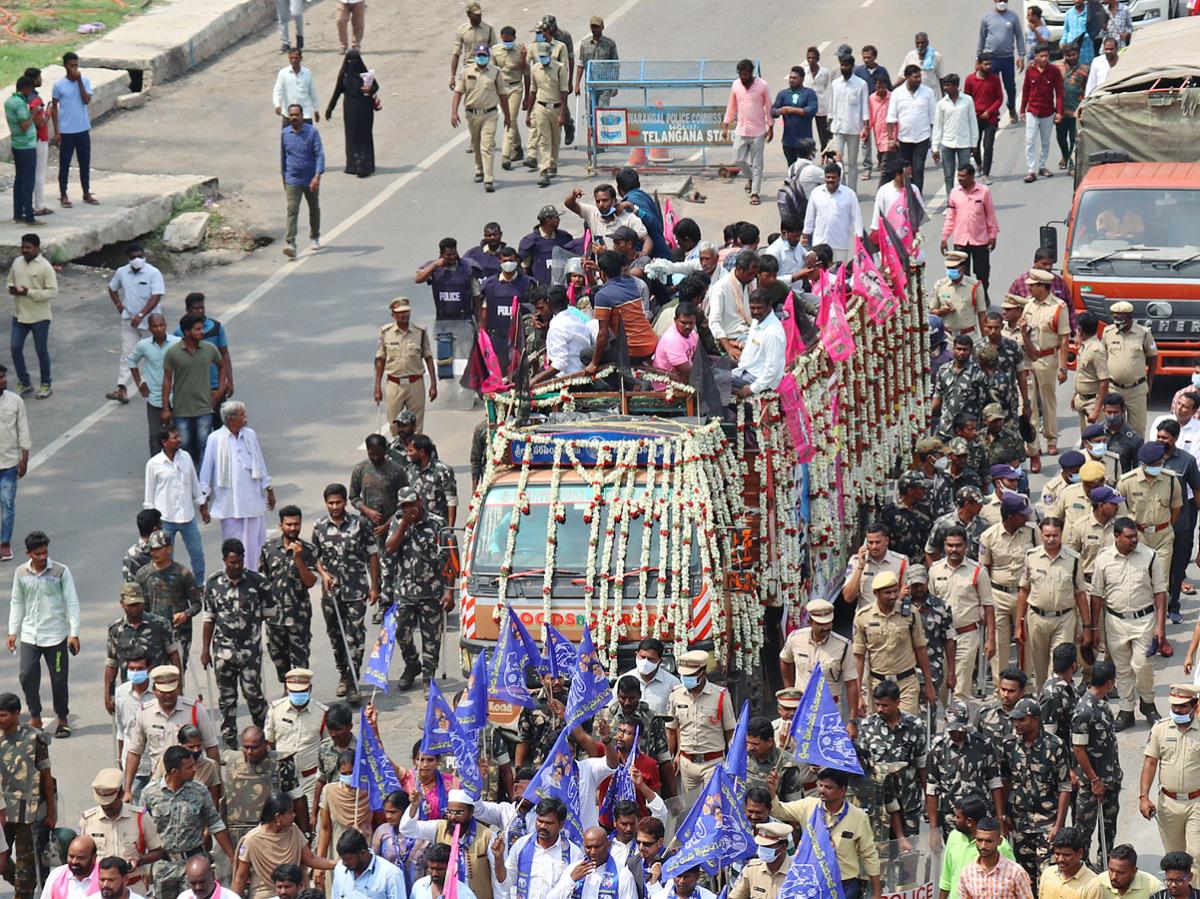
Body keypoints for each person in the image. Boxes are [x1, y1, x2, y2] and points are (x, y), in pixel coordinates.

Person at [1091, 516, 1165, 730]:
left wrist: (1160, 626)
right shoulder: (1103, 559)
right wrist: (1094, 627)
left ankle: (1148, 704)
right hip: (1115, 621)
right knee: (1122, 669)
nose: (1134, 540)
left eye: (1136, 536)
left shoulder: (1150, 556)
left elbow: (1160, 592)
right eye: (1129, 537)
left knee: (1141, 665)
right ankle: (1126, 711)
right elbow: (1096, 594)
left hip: (1144, 620)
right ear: (1116, 537)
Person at [202, 538, 274, 746]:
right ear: (224, 560)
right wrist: (205, 650)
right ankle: (230, 741)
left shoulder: (258, 581)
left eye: (239, 561)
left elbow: (269, 612)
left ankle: (262, 737)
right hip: (223, 652)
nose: (236, 566)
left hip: (250, 651)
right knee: (227, 698)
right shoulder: (213, 583)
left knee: (254, 695)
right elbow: (209, 618)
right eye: (232, 562)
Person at [7, 530, 79, 737]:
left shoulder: (60, 571)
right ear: (28, 553)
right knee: (27, 676)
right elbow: (17, 602)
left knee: (58, 679)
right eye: (38, 554)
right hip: (30, 636)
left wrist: (74, 633)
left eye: (45, 553)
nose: (42, 557)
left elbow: (72, 602)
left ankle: (62, 718)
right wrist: (13, 632)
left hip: (55, 637)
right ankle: (35, 715)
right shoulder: (21, 573)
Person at [140, 745, 235, 899]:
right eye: (189, 767)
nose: (195, 769)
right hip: (163, 865)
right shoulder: (149, 794)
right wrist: (144, 866)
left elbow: (216, 824)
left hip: (192, 865)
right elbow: (142, 831)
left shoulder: (200, 791)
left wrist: (231, 857)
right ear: (174, 772)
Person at [314, 483, 379, 702]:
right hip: (331, 594)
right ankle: (343, 673)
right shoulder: (320, 527)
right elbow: (315, 557)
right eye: (330, 503)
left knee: (355, 636)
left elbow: (372, 554)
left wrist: (374, 586)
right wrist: (323, 574)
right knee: (336, 638)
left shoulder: (360, 524)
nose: (334, 506)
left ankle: (352, 681)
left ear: (344, 502)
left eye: (338, 502)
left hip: (356, 590)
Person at [199, 401, 275, 571]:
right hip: (229, 503)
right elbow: (206, 470)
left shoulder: (250, 435)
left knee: (255, 543)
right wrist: (203, 500)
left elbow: (260, 462)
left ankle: (255, 575)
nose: (245, 417)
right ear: (231, 419)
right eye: (242, 415)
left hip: (253, 500)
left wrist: (268, 488)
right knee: (232, 544)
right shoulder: (215, 439)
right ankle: (232, 575)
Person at [1015, 517, 1087, 687]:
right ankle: (1043, 705)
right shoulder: (1031, 556)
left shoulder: (1074, 559)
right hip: (1037, 619)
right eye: (1047, 535)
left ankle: (1058, 704)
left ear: (1061, 534)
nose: (1051, 539)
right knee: (1040, 670)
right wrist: (1018, 624)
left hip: (1064, 619)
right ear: (1041, 534)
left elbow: (1080, 594)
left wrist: (1088, 626)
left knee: (1059, 668)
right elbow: (1024, 590)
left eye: (1055, 535)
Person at [853, 570, 936, 714]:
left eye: (895, 591)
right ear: (876, 593)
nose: (892, 596)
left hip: (906, 684)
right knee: (880, 731)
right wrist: (858, 693)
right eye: (887, 593)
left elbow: (920, 648)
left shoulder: (910, 613)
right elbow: (859, 657)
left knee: (906, 729)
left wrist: (929, 683)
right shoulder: (863, 617)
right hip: (878, 684)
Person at [1142, 685, 1200, 881]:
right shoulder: (1160, 728)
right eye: (1174, 706)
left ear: (1194, 705)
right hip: (1168, 803)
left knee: (1197, 856)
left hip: (1197, 803)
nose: (1177, 710)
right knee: (1174, 858)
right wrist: (1143, 797)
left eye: (1183, 706)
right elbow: (1150, 763)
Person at [0, 691, 54, 899]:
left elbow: (46, 777)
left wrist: (51, 813)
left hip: (27, 815)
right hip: (2, 813)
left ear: (16, 713)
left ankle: (24, 891)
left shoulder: (35, 738)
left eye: (4, 715)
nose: (0, 719)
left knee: (27, 870)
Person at [232, 793, 334, 899]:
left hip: (293, 894)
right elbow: (241, 877)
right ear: (278, 817)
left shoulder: (293, 831)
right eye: (290, 812)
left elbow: (311, 859)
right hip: (265, 895)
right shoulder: (252, 840)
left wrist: (338, 864)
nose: (294, 815)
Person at [78, 768, 164, 887]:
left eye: (110, 802)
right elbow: (81, 855)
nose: (106, 806)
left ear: (121, 794)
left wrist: (139, 860)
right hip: (100, 888)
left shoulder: (140, 817)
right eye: (102, 803)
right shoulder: (87, 820)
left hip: (133, 886)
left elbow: (158, 852)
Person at [260, 507, 318, 682]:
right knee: (278, 658)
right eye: (289, 524)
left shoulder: (308, 550)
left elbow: (310, 581)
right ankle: (287, 690)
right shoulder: (269, 549)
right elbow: (263, 579)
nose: (293, 528)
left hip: (298, 616)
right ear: (281, 525)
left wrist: (298, 558)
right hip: (275, 617)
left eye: (296, 524)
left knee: (300, 662)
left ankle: (299, 696)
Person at [162, 312, 226, 467]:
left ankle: (202, 484)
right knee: (184, 446)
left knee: (205, 445)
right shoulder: (173, 353)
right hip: (181, 410)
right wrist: (165, 408)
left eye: (202, 328)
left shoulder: (209, 349)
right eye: (197, 329)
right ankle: (188, 479)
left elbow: (222, 365)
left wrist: (220, 390)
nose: (202, 332)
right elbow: (167, 380)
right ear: (187, 332)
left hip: (204, 408)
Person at [144, 426, 206, 582]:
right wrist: (152, 523)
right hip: (165, 519)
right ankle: (168, 585)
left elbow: (194, 483)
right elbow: (149, 494)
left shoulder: (185, 457)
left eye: (178, 436)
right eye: (174, 437)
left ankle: (200, 582)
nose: (179, 440)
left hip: (187, 516)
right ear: (164, 442)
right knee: (165, 557)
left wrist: (202, 506)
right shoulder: (154, 464)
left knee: (197, 553)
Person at [106, 244, 166, 406]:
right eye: (133, 257)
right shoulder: (122, 272)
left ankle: (160, 386)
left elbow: (156, 296)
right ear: (128, 259)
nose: (137, 259)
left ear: (144, 256)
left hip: (151, 323)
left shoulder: (153, 273)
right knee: (127, 354)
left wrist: (141, 315)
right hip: (129, 321)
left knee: (154, 355)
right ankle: (122, 388)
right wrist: (119, 306)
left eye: (140, 256)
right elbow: (112, 289)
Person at [451, 44, 510, 194]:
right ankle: (479, 169)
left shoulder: (495, 73)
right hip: (472, 114)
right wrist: (454, 112)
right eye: (479, 55)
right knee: (476, 143)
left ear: (488, 57)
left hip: (490, 114)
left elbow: (503, 95)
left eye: (484, 55)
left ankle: (488, 179)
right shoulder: (466, 72)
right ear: (475, 55)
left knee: (487, 145)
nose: (481, 57)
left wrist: (507, 116)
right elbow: (458, 92)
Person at [104, 581, 181, 692]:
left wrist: (178, 684)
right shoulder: (115, 630)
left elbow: (173, 655)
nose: (134, 608)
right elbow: (112, 663)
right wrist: (108, 694)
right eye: (130, 605)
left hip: (159, 690)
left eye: (137, 604)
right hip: (130, 691)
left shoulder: (160, 625)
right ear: (122, 604)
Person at [6, 233, 56, 400]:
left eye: (28, 248)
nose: (25, 250)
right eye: (23, 247)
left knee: (41, 351)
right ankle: (24, 382)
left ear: (36, 248)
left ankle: (46, 384)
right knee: (15, 347)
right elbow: (9, 282)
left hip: (39, 316)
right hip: (19, 315)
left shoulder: (45, 267)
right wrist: (12, 289)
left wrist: (29, 292)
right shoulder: (17, 263)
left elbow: (52, 292)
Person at [939, 796, 1018, 899]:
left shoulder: (1000, 846)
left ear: (969, 822)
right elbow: (946, 878)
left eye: (957, 817)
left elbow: (1013, 884)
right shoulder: (954, 836)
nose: (953, 819)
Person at [941, 164, 998, 300]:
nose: (960, 179)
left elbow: (990, 214)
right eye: (958, 176)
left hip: (980, 240)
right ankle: (965, 300)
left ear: (972, 177)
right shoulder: (955, 193)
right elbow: (950, 217)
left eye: (963, 176)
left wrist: (993, 235)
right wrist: (944, 237)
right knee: (961, 274)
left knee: (982, 273)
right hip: (961, 241)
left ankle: (983, 297)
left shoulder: (983, 192)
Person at [721, 60, 773, 206]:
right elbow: (731, 106)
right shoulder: (736, 85)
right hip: (741, 129)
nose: (743, 77)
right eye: (741, 74)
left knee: (757, 164)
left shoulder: (762, 85)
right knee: (738, 159)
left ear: (751, 72)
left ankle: (755, 193)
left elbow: (769, 107)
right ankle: (750, 178)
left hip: (758, 131)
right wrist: (725, 125)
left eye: (746, 74)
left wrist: (771, 126)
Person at [1103, 300, 1158, 437]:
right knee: (1112, 425)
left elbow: (1153, 357)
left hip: (1136, 390)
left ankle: (1136, 457)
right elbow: (1102, 358)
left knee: (1137, 429)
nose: (1116, 321)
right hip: (1113, 388)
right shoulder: (1108, 332)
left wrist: (1149, 383)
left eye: (1120, 318)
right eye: (1114, 317)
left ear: (1129, 318)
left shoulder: (1144, 333)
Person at [50, 52, 98, 207]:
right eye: (71, 66)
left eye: (76, 65)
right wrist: (57, 131)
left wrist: (79, 83)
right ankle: (63, 194)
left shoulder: (85, 81)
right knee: (64, 164)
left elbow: (86, 100)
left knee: (84, 162)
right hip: (67, 131)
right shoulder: (59, 85)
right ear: (65, 66)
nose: (74, 68)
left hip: (82, 129)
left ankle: (86, 192)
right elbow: (54, 108)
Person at [129, 315, 181, 455]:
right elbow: (132, 361)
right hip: (155, 398)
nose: (158, 329)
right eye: (155, 326)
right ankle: (156, 469)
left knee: (177, 435)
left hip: (177, 397)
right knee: (155, 436)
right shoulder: (143, 345)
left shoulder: (178, 343)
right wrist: (140, 382)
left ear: (166, 325)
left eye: (161, 325)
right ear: (149, 329)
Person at [325, 49, 379, 178]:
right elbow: (337, 92)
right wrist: (330, 109)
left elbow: (376, 86)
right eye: (350, 61)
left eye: (355, 60)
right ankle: (353, 165)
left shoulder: (365, 75)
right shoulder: (344, 76)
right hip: (350, 109)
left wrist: (369, 89)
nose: (353, 63)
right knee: (352, 135)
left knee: (365, 135)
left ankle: (366, 164)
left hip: (365, 108)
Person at [280, 103, 323, 258]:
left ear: (302, 116)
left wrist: (317, 175)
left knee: (314, 208)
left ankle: (315, 236)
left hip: (310, 178)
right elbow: (283, 157)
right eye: (291, 115)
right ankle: (290, 243)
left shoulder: (312, 133)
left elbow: (319, 154)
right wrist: (283, 176)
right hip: (292, 178)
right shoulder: (285, 134)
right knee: (292, 210)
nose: (293, 117)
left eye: (296, 115)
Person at [886, 65, 937, 192]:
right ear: (907, 77)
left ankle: (917, 197)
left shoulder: (928, 93)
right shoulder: (897, 93)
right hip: (904, 139)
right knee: (906, 170)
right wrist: (891, 139)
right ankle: (907, 195)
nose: (918, 79)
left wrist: (934, 140)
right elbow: (891, 118)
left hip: (922, 138)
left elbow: (933, 118)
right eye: (915, 77)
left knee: (918, 169)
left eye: (919, 76)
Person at [525, 42, 568, 188]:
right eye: (540, 56)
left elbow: (564, 92)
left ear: (550, 55)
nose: (543, 59)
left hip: (556, 108)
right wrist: (529, 113)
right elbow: (532, 91)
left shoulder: (560, 69)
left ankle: (553, 164)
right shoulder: (535, 69)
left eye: (545, 56)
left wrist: (563, 114)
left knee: (555, 139)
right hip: (541, 107)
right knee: (543, 140)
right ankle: (543, 170)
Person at [956, 818, 1033, 899]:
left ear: (999, 841)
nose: (983, 846)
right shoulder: (967, 872)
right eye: (979, 840)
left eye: (989, 841)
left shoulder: (1015, 872)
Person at [1020, 47, 1064, 183]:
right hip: (1032, 111)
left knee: (1045, 141)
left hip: (1048, 112)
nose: (1044, 59)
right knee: (1030, 140)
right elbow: (1026, 90)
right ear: (1035, 57)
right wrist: (1022, 109)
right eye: (1041, 56)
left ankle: (1042, 166)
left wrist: (1059, 111)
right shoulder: (1030, 71)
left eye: (1046, 56)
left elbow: (1059, 93)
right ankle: (1031, 170)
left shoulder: (1054, 71)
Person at [977, 1, 1026, 123]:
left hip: (1007, 58)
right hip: (991, 59)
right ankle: (993, 114)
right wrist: (979, 58)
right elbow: (982, 37)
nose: (1002, 3)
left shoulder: (1013, 16)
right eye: (999, 0)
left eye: (1004, 0)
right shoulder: (987, 17)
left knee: (1010, 86)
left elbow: (1019, 36)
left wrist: (1021, 56)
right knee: (991, 87)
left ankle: (1011, 108)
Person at [802, 164, 861, 265]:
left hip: (840, 244)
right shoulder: (816, 192)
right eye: (827, 177)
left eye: (833, 177)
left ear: (839, 178)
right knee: (820, 276)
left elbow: (857, 218)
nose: (830, 180)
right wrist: (805, 237)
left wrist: (859, 239)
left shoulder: (849, 194)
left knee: (838, 276)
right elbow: (810, 217)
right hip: (819, 244)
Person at [731, 290, 786, 398]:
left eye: (759, 308)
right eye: (752, 308)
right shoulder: (757, 320)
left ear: (769, 306)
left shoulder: (773, 333)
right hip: (747, 370)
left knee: (717, 380)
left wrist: (752, 388)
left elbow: (772, 369)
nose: (755, 311)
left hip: (759, 379)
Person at [931, 75, 978, 197]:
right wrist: (935, 147)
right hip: (947, 144)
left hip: (964, 143)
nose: (945, 88)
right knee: (948, 175)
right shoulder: (941, 104)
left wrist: (974, 143)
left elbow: (973, 122)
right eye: (944, 85)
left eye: (948, 85)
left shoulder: (967, 100)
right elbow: (937, 126)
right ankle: (951, 202)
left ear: (956, 86)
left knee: (965, 175)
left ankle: (966, 199)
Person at [828, 55, 869, 188]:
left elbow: (865, 108)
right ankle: (841, 188)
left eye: (846, 65)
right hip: (838, 129)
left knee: (852, 163)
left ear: (852, 66)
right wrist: (830, 123)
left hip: (854, 129)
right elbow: (831, 105)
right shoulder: (835, 84)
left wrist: (866, 127)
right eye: (842, 65)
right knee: (838, 162)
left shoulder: (861, 84)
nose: (843, 67)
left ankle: (852, 191)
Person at [5, 77, 40, 225]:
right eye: (30, 89)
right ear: (25, 88)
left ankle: (18, 214)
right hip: (26, 146)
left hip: (17, 144)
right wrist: (33, 113)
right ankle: (29, 216)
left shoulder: (9, 101)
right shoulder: (20, 104)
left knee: (19, 179)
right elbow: (24, 125)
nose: (30, 93)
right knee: (28, 181)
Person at [964, 54, 1002, 183]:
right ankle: (979, 165)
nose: (988, 67)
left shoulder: (995, 79)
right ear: (979, 64)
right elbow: (967, 100)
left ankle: (986, 173)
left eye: (990, 64)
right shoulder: (970, 80)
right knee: (975, 145)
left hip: (990, 118)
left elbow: (999, 99)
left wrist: (989, 111)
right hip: (975, 118)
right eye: (986, 64)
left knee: (988, 146)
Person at [728, 822, 792, 899]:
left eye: (767, 846)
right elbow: (735, 897)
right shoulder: (751, 869)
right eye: (761, 845)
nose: (762, 849)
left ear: (783, 847)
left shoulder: (797, 872)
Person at [771, 67, 818, 167]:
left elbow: (812, 110)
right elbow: (772, 110)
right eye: (790, 78)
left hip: (805, 141)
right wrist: (779, 111)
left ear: (802, 79)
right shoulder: (783, 94)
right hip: (789, 140)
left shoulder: (809, 93)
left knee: (805, 169)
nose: (791, 80)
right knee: (792, 168)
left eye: (794, 78)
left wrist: (792, 110)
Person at [1079, 846, 1164, 899]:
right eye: (1111, 870)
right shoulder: (1098, 883)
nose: (1113, 877)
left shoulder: (1154, 888)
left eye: (1121, 873)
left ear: (1134, 871)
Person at [24, 68, 52, 218]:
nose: (41, 80)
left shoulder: (24, 98)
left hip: (27, 140)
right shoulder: (36, 100)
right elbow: (40, 123)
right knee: (39, 173)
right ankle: (39, 206)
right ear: (34, 80)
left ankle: (26, 204)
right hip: (39, 138)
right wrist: (49, 112)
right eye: (39, 77)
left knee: (27, 174)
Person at [1056, 44, 1089, 171]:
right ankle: (1065, 156)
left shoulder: (1084, 69)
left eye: (1074, 55)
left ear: (1078, 54)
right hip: (1060, 110)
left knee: (1073, 138)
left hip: (1076, 110)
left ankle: (1071, 164)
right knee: (1060, 137)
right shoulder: (1057, 67)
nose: (1071, 58)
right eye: (1068, 55)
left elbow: (1087, 88)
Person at [1039, 827, 1097, 899]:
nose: (1060, 859)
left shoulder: (1093, 885)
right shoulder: (1047, 874)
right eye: (1057, 854)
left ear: (1080, 853)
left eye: (1066, 855)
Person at [273, 48, 319, 123]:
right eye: (291, 58)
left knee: (308, 134)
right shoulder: (283, 73)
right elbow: (278, 90)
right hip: (289, 115)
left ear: (301, 58)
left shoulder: (307, 73)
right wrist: (277, 104)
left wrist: (316, 110)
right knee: (287, 134)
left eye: (296, 58)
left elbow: (312, 92)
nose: (294, 60)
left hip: (305, 114)